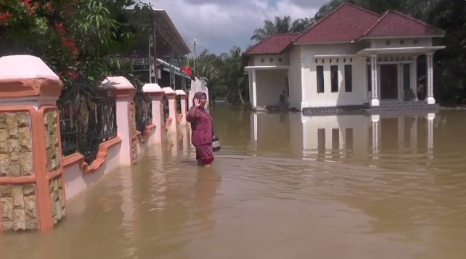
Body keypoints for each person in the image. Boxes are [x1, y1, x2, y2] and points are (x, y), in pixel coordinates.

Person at [186, 92, 214, 166]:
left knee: (201, 160)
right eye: (202, 99)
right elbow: (189, 118)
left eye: (205, 99)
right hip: (201, 140)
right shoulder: (195, 110)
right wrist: (195, 106)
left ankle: (200, 177)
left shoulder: (203, 110)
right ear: (196, 99)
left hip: (206, 140)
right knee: (208, 160)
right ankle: (209, 176)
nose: (204, 100)